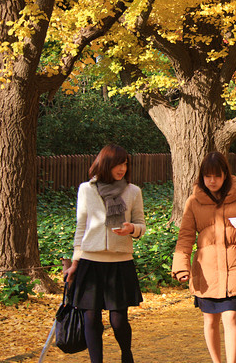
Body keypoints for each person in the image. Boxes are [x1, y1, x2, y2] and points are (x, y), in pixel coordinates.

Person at [172, 152, 236, 363]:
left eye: (217, 176)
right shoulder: (193, 202)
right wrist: (181, 267)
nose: (212, 181)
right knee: (210, 320)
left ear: (225, 175)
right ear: (201, 176)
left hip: (235, 266)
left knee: (231, 317)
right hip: (207, 270)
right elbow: (185, 237)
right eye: (207, 176)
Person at [63, 144, 146, 363]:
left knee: (118, 320)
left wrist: (132, 229)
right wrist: (75, 261)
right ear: (105, 164)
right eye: (118, 163)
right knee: (90, 318)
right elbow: (81, 226)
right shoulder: (86, 190)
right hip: (91, 261)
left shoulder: (133, 191)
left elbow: (141, 224)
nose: (122, 168)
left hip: (120, 263)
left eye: (125, 163)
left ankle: (126, 355)